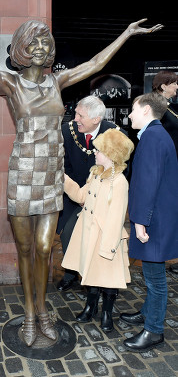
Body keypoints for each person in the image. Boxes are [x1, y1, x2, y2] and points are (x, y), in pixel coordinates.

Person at [0, 14, 162, 347]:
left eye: (45, 42)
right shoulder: (11, 84)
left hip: (52, 173)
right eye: (33, 42)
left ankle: (43, 311)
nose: (40, 47)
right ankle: (29, 313)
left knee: (43, 248)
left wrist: (125, 32)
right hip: (23, 173)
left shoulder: (57, 82)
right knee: (25, 249)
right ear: (22, 48)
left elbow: (96, 63)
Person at [120, 92, 178, 352]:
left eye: (133, 109)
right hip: (158, 217)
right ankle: (147, 312)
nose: (129, 115)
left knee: (155, 280)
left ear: (145, 110)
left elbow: (148, 183)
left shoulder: (153, 137)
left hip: (154, 220)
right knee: (151, 274)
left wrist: (140, 222)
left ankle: (154, 330)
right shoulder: (155, 135)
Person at [62, 129, 134, 332]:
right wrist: (63, 178)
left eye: (99, 150)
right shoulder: (96, 175)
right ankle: (90, 306)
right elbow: (81, 196)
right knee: (91, 274)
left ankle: (107, 313)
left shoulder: (119, 182)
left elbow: (116, 217)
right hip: (89, 235)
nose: (95, 152)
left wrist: (109, 247)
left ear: (111, 154)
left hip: (106, 239)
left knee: (109, 280)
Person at [56, 95, 127, 291]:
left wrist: (95, 192)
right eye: (76, 113)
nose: (75, 119)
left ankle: (93, 278)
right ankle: (71, 273)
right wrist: (80, 195)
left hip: (102, 195)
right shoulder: (67, 131)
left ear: (96, 119)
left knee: (96, 237)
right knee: (67, 233)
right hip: (75, 192)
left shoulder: (115, 134)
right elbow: (64, 165)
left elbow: (122, 169)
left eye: (80, 116)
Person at [152, 70, 178, 274]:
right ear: (163, 86)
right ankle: (155, 255)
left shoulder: (172, 107)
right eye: (174, 83)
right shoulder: (154, 107)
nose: (177, 87)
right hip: (165, 170)